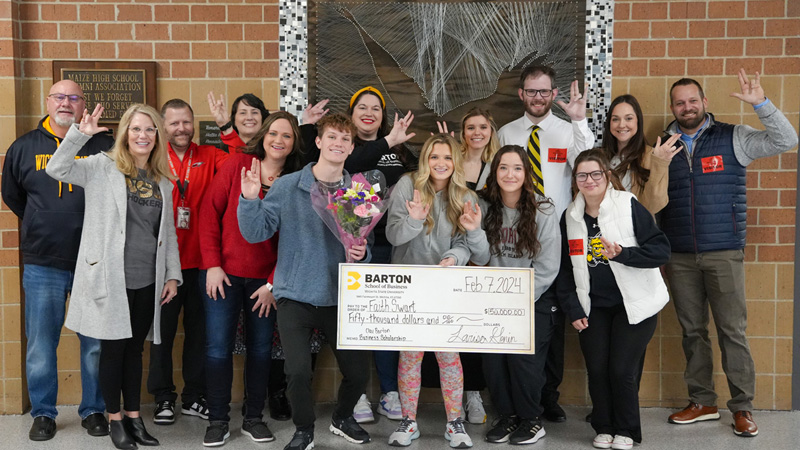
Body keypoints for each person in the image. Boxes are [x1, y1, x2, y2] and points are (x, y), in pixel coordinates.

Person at [661, 69, 798, 437]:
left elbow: (787, 140)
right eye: (679, 102)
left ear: (705, 102)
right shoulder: (662, 145)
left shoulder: (734, 136)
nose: (686, 107)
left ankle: (742, 407)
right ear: (672, 107)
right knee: (692, 331)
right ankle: (703, 401)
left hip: (723, 251)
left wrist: (762, 105)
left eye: (693, 100)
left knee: (732, 331)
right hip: (680, 255)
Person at [46, 103, 182, 449]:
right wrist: (79, 135)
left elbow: (167, 234)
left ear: (157, 136)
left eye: (150, 130)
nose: (143, 135)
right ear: (125, 132)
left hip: (146, 277)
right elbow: (57, 169)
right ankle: (115, 420)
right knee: (113, 350)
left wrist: (172, 275)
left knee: (135, 351)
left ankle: (135, 418)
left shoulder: (162, 181)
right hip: (109, 277)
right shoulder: (101, 167)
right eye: (136, 129)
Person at [238, 113, 372, 450]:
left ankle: (342, 417)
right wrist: (250, 199)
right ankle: (304, 429)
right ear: (318, 141)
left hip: (340, 297)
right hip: (295, 295)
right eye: (332, 137)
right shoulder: (288, 186)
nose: (338, 143)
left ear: (352, 146)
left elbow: (361, 249)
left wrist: (362, 255)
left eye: (345, 139)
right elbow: (256, 232)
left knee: (358, 373)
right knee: (297, 372)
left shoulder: (357, 192)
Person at [1, 79, 112, 441]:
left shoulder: (103, 145)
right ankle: (44, 413)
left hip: (92, 261)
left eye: (74, 98)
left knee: (94, 342)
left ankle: (94, 409)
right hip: (43, 262)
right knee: (40, 342)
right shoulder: (24, 147)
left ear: (83, 106)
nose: (66, 103)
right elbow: (14, 196)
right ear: (48, 102)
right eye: (60, 97)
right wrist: (45, 222)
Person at [199, 111, 305, 447]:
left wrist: (274, 282)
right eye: (274, 133)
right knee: (218, 349)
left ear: (294, 144)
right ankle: (217, 420)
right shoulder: (236, 166)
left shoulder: (294, 182)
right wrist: (213, 264)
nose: (279, 140)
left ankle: (253, 418)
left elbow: (295, 240)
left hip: (265, 283)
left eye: (287, 136)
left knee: (261, 351)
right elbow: (208, 214)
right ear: (263, 135)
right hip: (223, 275)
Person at [497, 64, 595, 423]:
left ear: (554, 94)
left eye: (544, 91)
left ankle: (548, 397)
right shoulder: (507, 132)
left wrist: (580, 122)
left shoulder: (567, 130)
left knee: (553, 318)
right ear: (521, 94)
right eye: (531, 91)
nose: (538, 97)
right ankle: (516, 400)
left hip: (559, 234)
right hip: (516, 237)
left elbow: (587, 164)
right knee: (522, 318)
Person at [558, 150, 671, 450]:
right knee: (596, 368)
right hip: (594, 307)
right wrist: (573, 309)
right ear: (576, 181)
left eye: (596, 173)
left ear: (607, 176)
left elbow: (661, 250)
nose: (589, 180)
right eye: (582, 175)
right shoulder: (570, 217)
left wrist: (623, 253)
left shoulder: (627, 205)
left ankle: (628, 430)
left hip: (635, 304)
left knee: (621, 369)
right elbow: (566, 271)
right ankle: (604, 426)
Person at [385, 133, 489, 448]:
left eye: (446, 157)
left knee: (448, 355)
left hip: (446, 288)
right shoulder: (407, 186)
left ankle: (454, 424)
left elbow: (478, 255)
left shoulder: (465, 197)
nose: (440, 163)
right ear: (425, 160)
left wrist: (456, 255)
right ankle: (408, 421)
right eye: (434, 157)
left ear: (455, 162)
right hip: (411, 288)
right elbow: (392, 235)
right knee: (411, 355)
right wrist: (414, 221)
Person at [147, 99, 230, 426]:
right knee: (161, 335)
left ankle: (194, 397)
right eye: (174, 123)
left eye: (186, 122)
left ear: (193, 123)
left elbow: (242, 163)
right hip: (163, 265)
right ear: (162, 127)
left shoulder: (209, 156)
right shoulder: (152, 158)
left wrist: (226, 129)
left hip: (202, 264)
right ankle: (163, 398)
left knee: (199, 334)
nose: (181, 128)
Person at [476, 145, 559, 445]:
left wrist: (517, 300)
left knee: (523, 362)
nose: (510, 174)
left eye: (517, 168)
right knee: (494, 362)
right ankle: (507, 416)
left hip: (532, 299)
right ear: (494, 172)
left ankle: (531, 419)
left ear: (527, 174)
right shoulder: (483, 207)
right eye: (503, 168)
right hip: (492, 301)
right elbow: (477, 252)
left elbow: (548, 267)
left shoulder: (543, 210)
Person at [344, 86, 417, 423]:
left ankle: (390, 392)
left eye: (376, 107)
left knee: (387, 320)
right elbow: (351, 165)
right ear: (352, 112)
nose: (369, 112)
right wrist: (387, 140)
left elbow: (425, 178)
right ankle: (357, 394)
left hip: (395, 244)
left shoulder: (400, 150)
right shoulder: (345, 144)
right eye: (362, 107)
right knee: (356, 319)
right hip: (354, 243)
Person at [601, 94, 682, 215]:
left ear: (638, 121)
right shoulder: (601, 157)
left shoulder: (651, 156)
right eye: (615, 119)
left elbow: (653, 206)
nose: (622, 125)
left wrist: (660, 163)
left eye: (629, 118)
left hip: (635, 231)